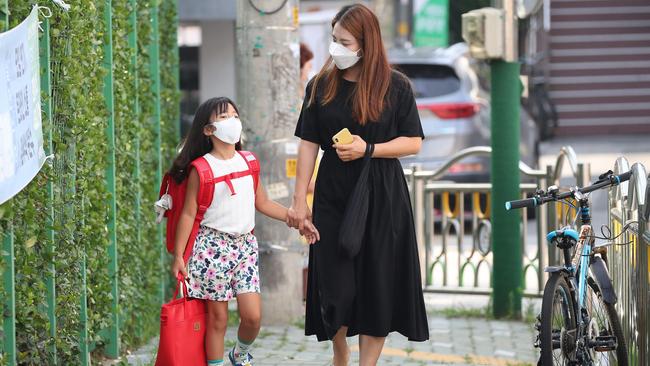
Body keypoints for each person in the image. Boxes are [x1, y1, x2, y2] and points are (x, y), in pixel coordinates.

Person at [287, 4, 430, 366]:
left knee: (377, 283)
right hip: (333, 192)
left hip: (382, 193)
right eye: (334, 40)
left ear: (366, 44)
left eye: (344, 41)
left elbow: (413, 141)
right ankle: (340, 349)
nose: (336, 48)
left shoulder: (395, 85)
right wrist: (299, 199)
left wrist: (368, 149)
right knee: (334, 285)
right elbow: (307, 142)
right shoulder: (320, 85)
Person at [169, 97, 320, 366]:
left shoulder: (248, 162)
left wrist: (296, 218)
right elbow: (188, 215)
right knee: (218, 320)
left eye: (235, 115)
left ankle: (239, 355)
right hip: (211, 249)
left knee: (252, 316)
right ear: (208, 130)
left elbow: (261, 202)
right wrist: (179, 256)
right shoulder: (201, 168)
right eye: (224, 117)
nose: (233, 121)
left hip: (245, 247)